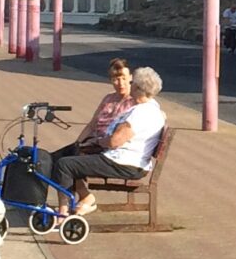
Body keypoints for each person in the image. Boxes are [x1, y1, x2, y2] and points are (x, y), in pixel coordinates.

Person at [47, 68, 164, 213]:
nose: (129, 84)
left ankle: (62, 213)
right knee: (65, 156)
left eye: (132, 82)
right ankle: (84, 198)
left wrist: (98, 142)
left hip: (123, 163)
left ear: (137, 87)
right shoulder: (151, 107)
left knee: (65, 164)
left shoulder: (141, 113)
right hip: (126, 160)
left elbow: (114, 141)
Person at [51, 60, 135, 162]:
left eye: (124, 78)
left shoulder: (134, 101)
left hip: (107, 149)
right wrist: (77, 143)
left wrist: (95, 143)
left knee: (63, 162)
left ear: (131, 77)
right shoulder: (108, 98)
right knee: (53, 157)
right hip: (92, 143)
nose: (121, 83)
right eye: (116, 79)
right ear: (111, 80)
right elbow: (92, 125)